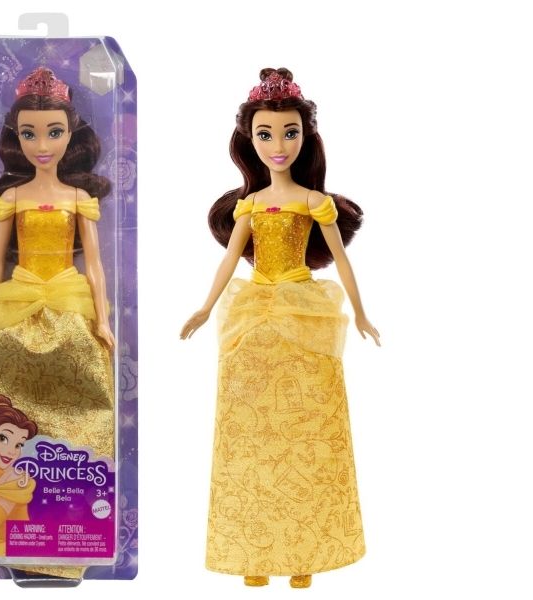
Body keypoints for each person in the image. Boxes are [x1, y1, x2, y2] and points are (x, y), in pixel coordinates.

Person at [181, 68, 380, 588]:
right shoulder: (249, 205)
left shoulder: (314, 203)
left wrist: (360, 313)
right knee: (247, 435)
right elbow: (230, 261)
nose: (278, 145)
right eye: (265, 134)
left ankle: (303, 553)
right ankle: (252, 552)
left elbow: (341, 261)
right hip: (252, 318)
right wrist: (205, 308)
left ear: (305, 137)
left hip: (302, 313)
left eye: (289, 133)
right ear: (249, 140)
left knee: (308, 433)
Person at [0, 67, 115, 578]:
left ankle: (74, 537)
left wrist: (104, 321)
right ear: (16, 137)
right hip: (17, 305)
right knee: (12, 406)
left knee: (84, 402)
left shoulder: (79, 199)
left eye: (54, 132)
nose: (42, 145)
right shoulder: (11, 198)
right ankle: (13, 539)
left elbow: (95, 265)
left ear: (70, 135)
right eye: (30, 133)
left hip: (69, 303)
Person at [0, 395, 38, 557]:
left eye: (18, 444)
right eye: (4, 438)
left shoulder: (15, 482)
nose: (12, 451)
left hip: (2, 551)